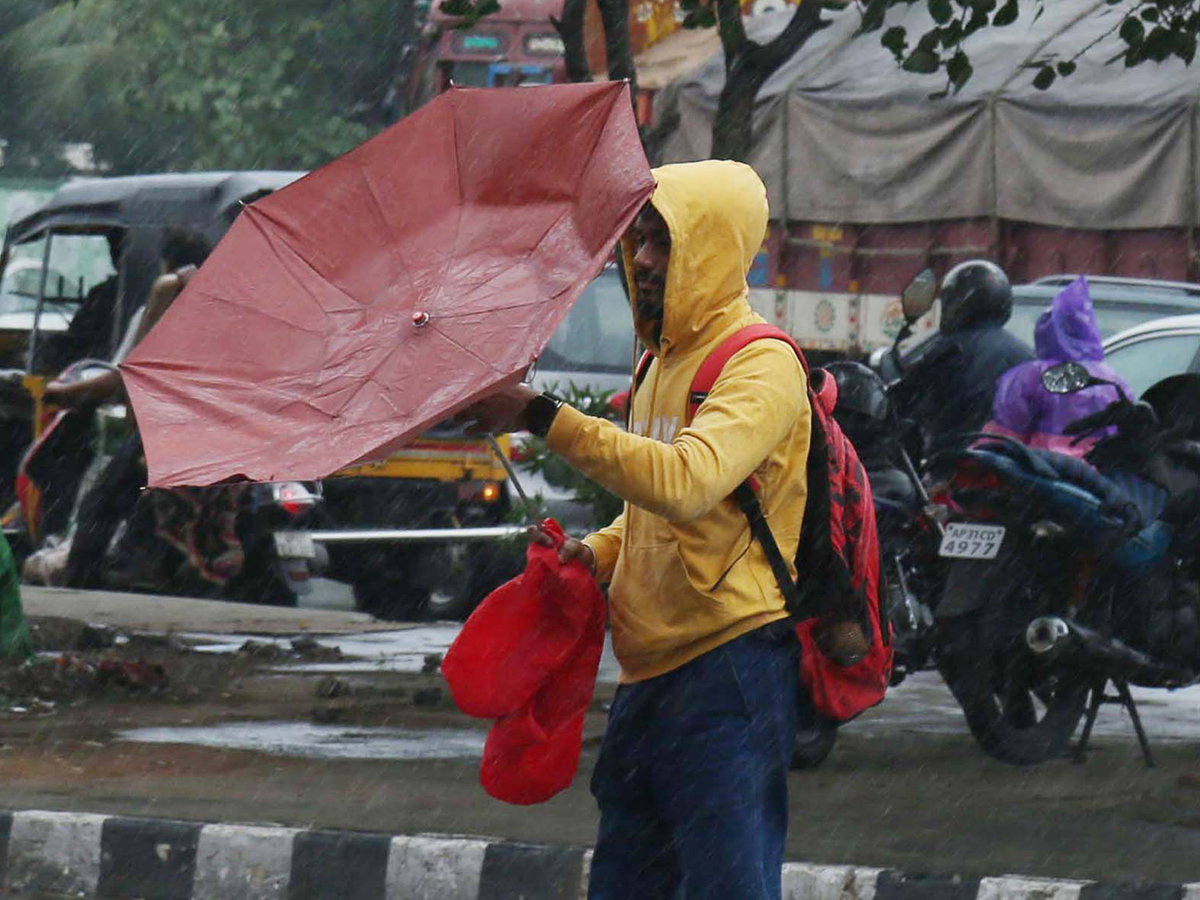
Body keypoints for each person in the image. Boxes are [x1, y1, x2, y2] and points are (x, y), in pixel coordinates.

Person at [465, 160, 812, 900]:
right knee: (627, 884)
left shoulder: (760, 363)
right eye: (639, 241)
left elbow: (685, 483)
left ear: (716, 246)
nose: (644, 261)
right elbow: (652, 511)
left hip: (731, 670)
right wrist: (596, 553)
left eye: (665, 242)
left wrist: (540, 414)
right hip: (647, 678)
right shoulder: (660, 361)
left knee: (726, 888)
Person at [47, 229, 224, 589]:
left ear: (168, 260)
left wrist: (64, 392)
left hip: (166, 427)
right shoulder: (226, 298)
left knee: (101, 504)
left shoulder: (170, 288)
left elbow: (133, 372)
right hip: (219, 427)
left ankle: (83, 582)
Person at [888, 259, 1034, 449]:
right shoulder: (1027, 356)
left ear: (959, 302)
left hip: (954, 462)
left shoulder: (950, 350)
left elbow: (903, 401)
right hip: (1013, 463)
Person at [984, 275, 1133, 459]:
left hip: (1043, 473)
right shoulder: (1114, 380)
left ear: (1046, 331)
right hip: (1099, 477)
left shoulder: (1029, 377)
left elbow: (1002, 438)